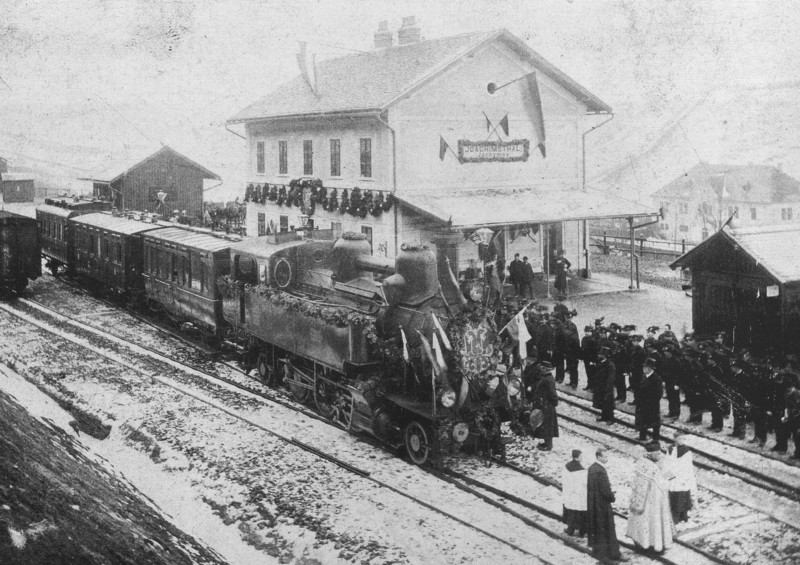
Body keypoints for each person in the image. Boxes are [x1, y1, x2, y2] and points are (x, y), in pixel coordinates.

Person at [626, 442, 675, 553]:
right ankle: (654, 545)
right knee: (653, 522)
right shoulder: (652, 467)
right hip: (653, 501)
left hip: (641, 499)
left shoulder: (641, 462)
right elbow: (662, 482)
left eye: (660, 453)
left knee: (643, 522)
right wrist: (669, 477)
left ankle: (641, 542)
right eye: (657, 454)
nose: (660, 456)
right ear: (650, 454)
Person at [587, 447, 627, 562]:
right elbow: (605, 491)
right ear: (599, 457)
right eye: (605, 457)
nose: (607, 459)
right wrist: (612, 497)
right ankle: (613, 554)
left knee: (598, 528)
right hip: (603, 505)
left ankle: (600, 552)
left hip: (594, 504)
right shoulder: (600, 470)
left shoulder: (591, 468)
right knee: (608, 528)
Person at [666, 433, 696, 524]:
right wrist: (667, 475)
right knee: (674, 497)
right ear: (675, 439)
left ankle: (683, 516)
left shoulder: (686, 451)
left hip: (682, 477)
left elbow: (687, 465)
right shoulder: (670, 449)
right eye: (679, 439)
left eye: (683, 439)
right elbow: (667, 462)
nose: (681, 441)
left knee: (683, 496)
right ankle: (674, 517)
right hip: (673, 477)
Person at [532, 361, 559, 450]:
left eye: (542, 368)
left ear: (546, 369)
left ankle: (548, 445)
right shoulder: (546, 377)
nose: (540, 369)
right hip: (544, 405)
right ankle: (546, 443)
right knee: (545, 425)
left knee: (548, 426)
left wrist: (553, 403)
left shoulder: (548, 379)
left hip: (547, 406)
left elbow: (552, 394)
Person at [636, 358, 663, 442]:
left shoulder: (657, 378)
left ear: (650, 368)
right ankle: (642, 437)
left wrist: (650, 401)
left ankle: (655, 439)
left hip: (652, 405)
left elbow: (659, 393)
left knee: (654, 422)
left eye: (645, 367)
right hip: (642, 403)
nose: (643, 369)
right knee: (642, 420)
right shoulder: (644, 376)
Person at [562, 449, 588, 537]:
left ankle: (570, 530)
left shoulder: (566, 466)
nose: (582, 458)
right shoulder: (581, 470)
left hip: (569, 493)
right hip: (579, 495)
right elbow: (584, 483)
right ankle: (582, 531)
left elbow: (565, 480)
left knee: (571, 513)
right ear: (577, 457)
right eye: (581, 456)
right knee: (580, 514)